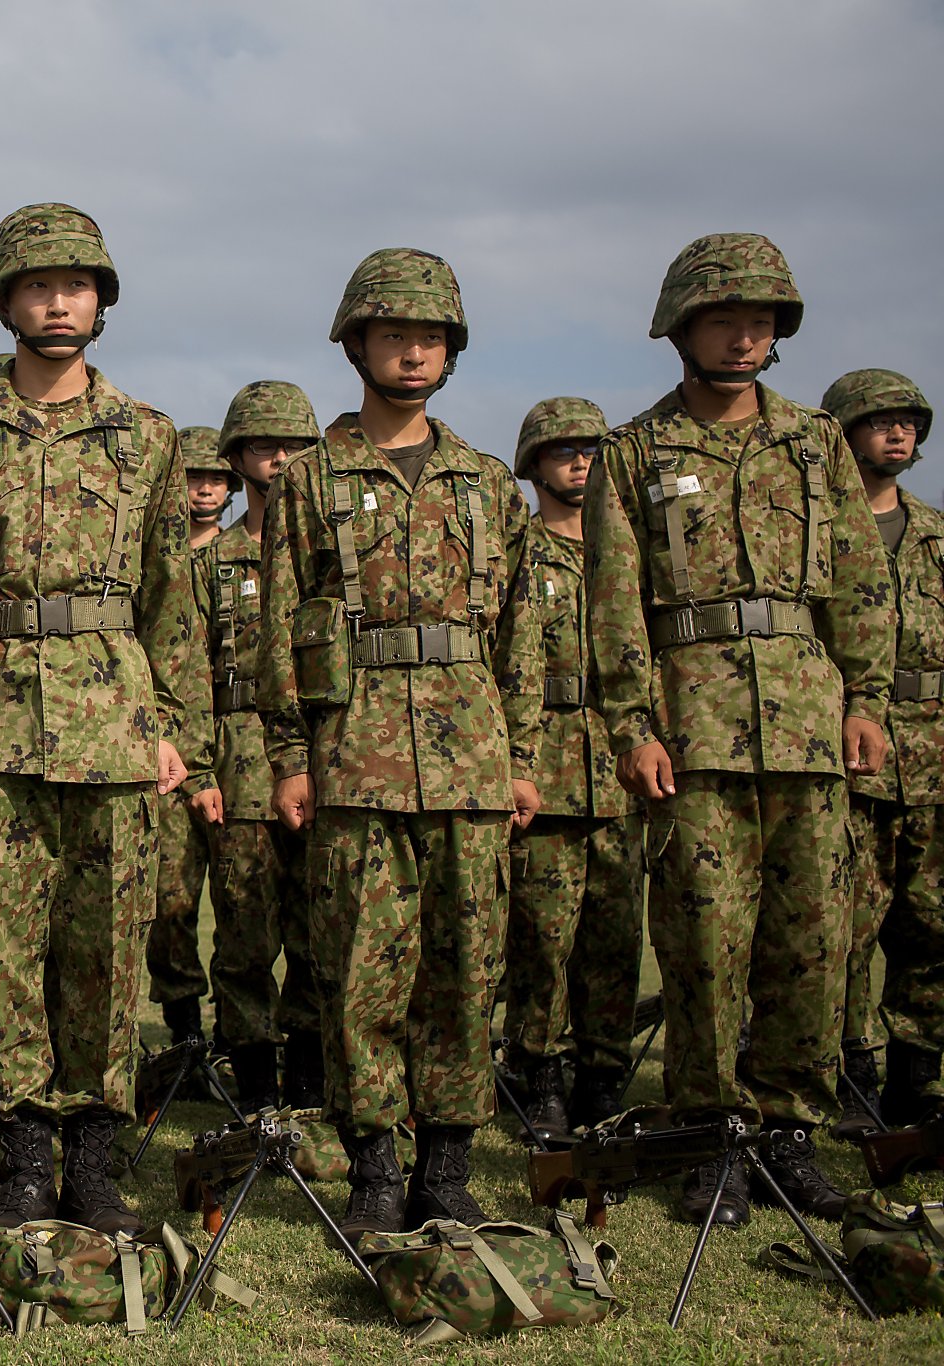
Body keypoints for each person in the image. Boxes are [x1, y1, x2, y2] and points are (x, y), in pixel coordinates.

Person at [0, 203, 208, 1235]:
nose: (56, 300)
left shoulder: (148, 436)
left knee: (108, 949)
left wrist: (177, 728)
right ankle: (24, 1150)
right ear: (2, 302)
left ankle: (92, 1155)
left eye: (75, 284)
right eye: (36, 285)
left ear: (101, 301)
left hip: (111, 721)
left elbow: (172, 596)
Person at [586, 233, 892, 1226]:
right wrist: (632, 722)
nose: (743, 334)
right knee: (700, 943)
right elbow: (613, 602)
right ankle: (709, 1138)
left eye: (760, 320)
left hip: (805, 728)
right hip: (692, 730)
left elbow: (856, 580)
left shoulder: (813, 443)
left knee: (809, 942)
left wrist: (864, 700)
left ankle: (787, 1135)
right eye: (723, 317)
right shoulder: (632, 450)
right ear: (680, 327)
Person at [258, 248, 541, 1234]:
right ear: (356, 346)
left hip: (469, 758)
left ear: (448, 350)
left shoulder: (486, 483)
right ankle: (375, 1162)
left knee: (465, 972)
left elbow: (519, 636)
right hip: (355, 759)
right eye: (391, 335)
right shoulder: (307, 481)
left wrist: (523, 758)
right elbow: (279, 630)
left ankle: (447, 1163)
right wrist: (290, 758)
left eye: (428, 337)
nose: (410, 352)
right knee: (361, 971)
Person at [501, 398, 645, 1137]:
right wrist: (517, 758)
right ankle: (540, 1075)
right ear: (533, 465)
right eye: (562, 451)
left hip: (621, 777)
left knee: (615, 941)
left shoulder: (630, 552)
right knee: (541, 943)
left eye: (590, 449)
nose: (580, 462)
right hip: (548, 772)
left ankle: (603, 1079)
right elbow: (509, 662)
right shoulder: (519, 549)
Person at [818, 368, 944, 1134]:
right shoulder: (821, 534)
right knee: (842, 930)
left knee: (930, 928)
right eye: (878, 421)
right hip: (846, 757)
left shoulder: (936, 535)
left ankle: (916, 1079)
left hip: (932, 757)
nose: (897, 433)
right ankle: (846, 1072)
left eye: (908, 422)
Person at [191, 382, 323, 1110]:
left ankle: (310, 1084)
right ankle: (255, 1091)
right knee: (244, 942)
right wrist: (200, 770)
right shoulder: (213, 562)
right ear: (237, 457)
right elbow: (188, 671)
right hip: (240, 769)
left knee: (319, 936)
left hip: (328, 763)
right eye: (265, 446)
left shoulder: (331, 554)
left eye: (295, 445)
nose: (280, 458)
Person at [148, 426, 231, 1051]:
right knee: (168, 904)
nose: (205, 488)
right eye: (194, 477)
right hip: (170, 751)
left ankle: (243, 1040)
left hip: (239, 749)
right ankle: (185, 1038)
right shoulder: (158, 566)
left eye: (216, 477)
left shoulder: (249, 558)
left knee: (244, 904)